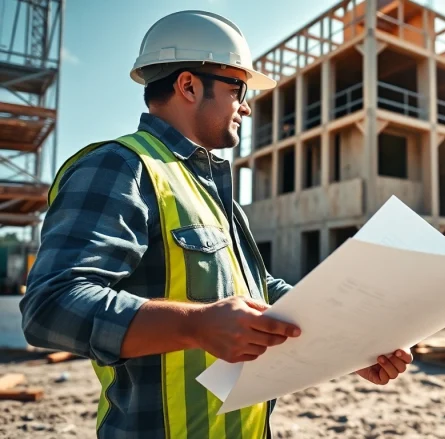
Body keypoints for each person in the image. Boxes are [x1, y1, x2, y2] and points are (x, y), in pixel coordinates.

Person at [19, 10, 411, 439]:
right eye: (238, 87)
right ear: (188, 85)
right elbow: (50, 306)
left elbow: (261, 293)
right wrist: (196, 325)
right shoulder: (119, 167)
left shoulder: (211, 189)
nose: (245, 105)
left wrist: (354, 343)